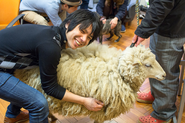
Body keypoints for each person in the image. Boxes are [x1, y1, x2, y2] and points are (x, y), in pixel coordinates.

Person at [0, 9, 104, 123]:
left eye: (89, 37)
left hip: (5, 63)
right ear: (69, 23)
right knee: (39, 104)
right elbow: (50, 87)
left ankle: (13, 115)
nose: (84, 39)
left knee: (26, 85)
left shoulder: (53, 34)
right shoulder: (51, 46)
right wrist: (85, 101)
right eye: (82, 31)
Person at [132, 0, 185, 123]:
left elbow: (162, 3)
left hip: (170, 27)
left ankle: (163, 113)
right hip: (169, 22)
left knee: (164, 72)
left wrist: (143, 30)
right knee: (158, 64)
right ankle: (156, 95)